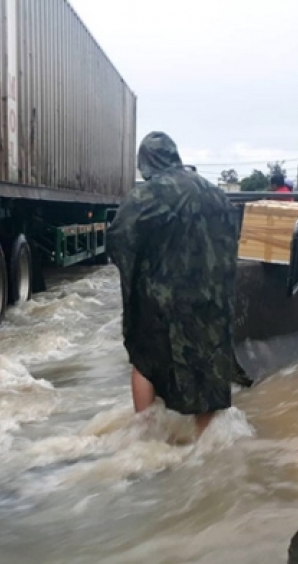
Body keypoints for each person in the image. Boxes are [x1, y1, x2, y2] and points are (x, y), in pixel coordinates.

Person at [106, 132, 241, 438]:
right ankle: (205, 445)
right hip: (212, 299)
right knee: (206, 364)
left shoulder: (148, 194)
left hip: (163, 299)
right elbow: (232, 237)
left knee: (145, 359)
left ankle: (146, 436)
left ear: (147, 162)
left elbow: (119, 237)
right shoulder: (214, 192)